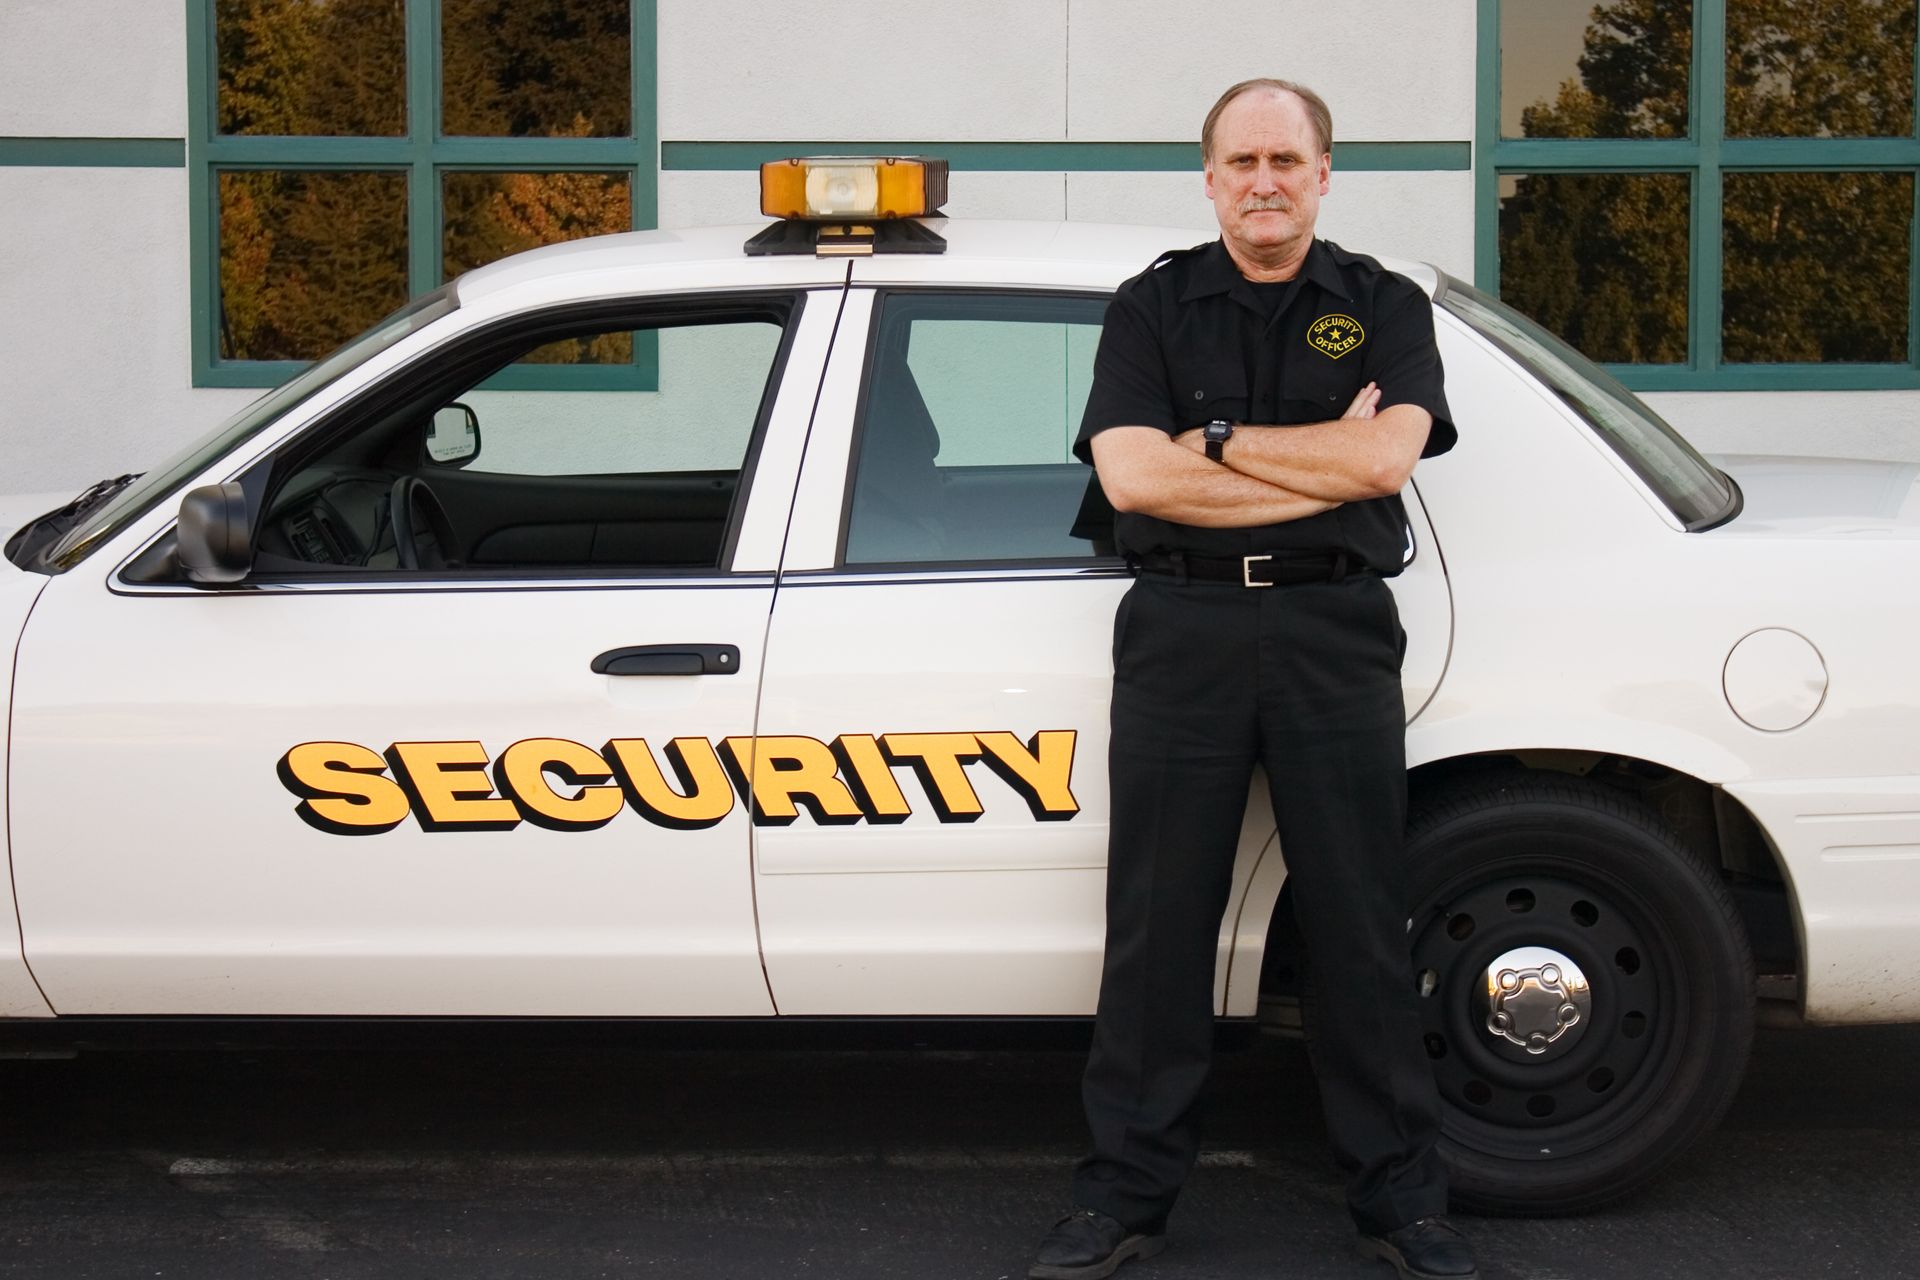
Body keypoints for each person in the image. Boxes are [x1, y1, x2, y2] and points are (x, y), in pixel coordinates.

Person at [1029, 79, 1475, 1280]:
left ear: (1325, 173)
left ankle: (1402, 1205)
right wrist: (1319, 464)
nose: (1264, 179)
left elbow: (1390, 456)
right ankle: (1121, 1196)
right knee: (1158, 927)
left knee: (1359, 925)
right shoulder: (1153, 307)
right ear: (1211, 178)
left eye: (1287, 157)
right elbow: (1131, 480)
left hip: (1334, 631)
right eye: (1242, 160)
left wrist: (1215, 445)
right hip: (1182, 633)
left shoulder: (1384, 304)